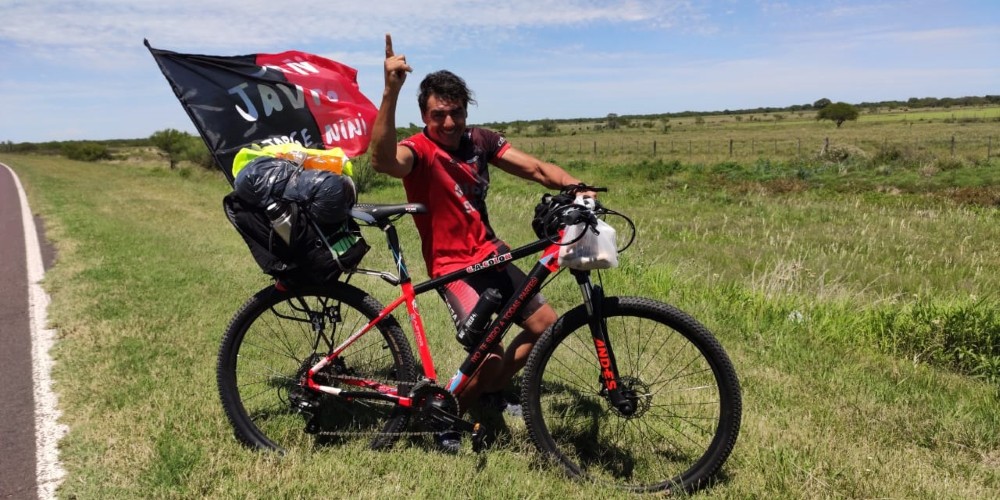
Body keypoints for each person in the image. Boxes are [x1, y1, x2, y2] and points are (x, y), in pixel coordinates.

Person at [370, 34, 591, 451]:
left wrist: (579, 188)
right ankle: (446, 416)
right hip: (453, 269)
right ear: (424, 116)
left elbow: (538, 170)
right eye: (439, 115)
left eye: (456, 114)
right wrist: (389, 91)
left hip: (492, 255)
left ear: (466, 112)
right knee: (487, 354)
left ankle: (489, 390)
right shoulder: (417, 150)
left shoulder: (481, 141)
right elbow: (382, 161)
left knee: (545, 328)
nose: (449, 124)